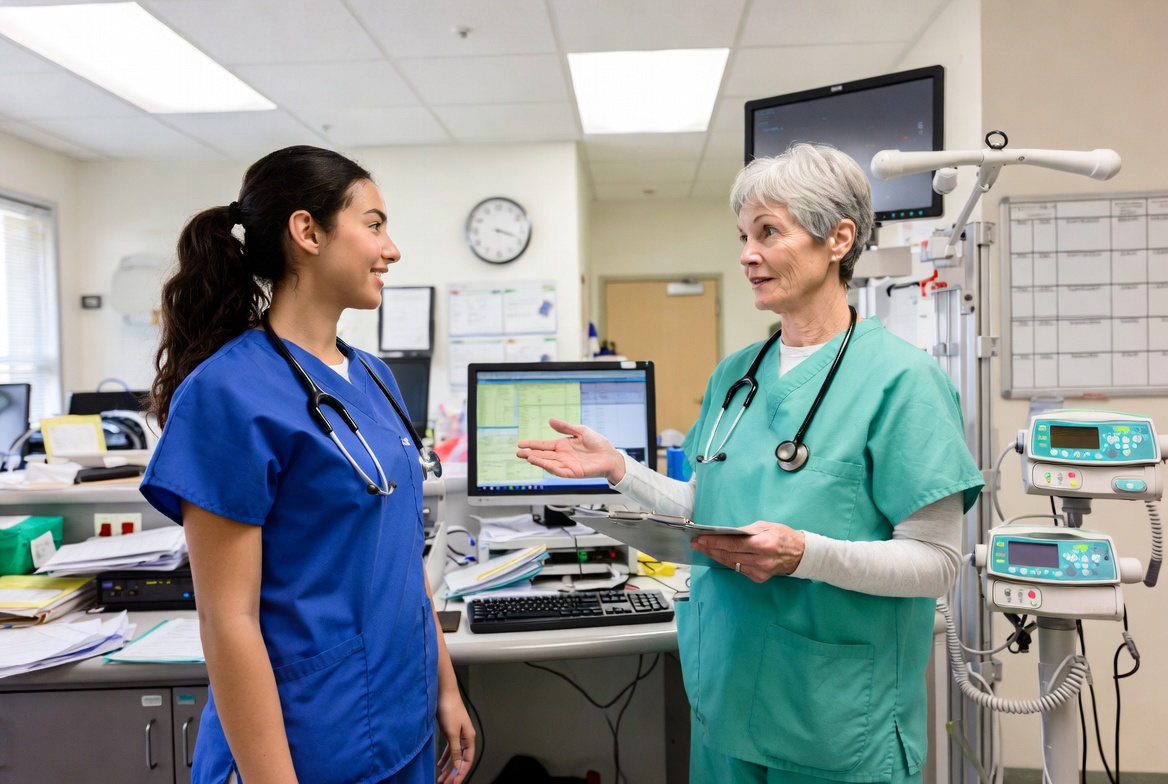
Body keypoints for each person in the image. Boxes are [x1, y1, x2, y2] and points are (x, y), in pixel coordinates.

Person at [517, 143, 983, 783]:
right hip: (727, 698)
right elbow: (708, 511)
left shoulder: (904, 382)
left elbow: (936, 565)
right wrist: (621, 471)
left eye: (768, 232)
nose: (746, 254)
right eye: (742, 235)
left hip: (832, 716)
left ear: (838, 239)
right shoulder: (737, 376)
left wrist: (803, 554)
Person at [141, 145, 474, 784]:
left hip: (401, 721)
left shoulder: (374, 377)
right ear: (307, 231)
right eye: (374, 224)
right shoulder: (227, 395)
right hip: (304, 744)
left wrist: (445, 688)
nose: (392, 249)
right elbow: (226, 619)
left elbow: (403, 556)